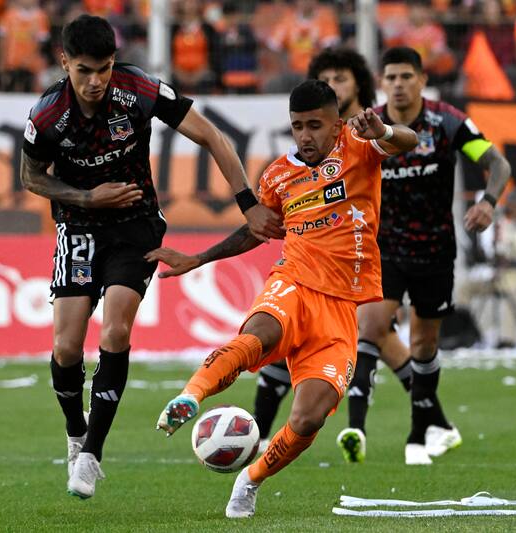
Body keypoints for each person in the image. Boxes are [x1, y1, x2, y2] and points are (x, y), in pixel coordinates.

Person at [19, 14, 283, 500]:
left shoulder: (138, 90)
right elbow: (32, 178)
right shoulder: (47, 115)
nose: (95, 81)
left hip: (137, 226)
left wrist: (247, 204)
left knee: (117, 329)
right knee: (66, 349)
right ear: (64, 64)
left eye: (102, 68)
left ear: (114, 62)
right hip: (78, 225)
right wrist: (87, 198)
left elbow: (211, 135)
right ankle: (76, 433)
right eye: (83, 71)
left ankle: (93, 454)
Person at [150, 79, 417, 518]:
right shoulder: (277, 175)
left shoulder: (359, 145)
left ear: (337, 124)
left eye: (315, 125)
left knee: (309, 417)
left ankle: (249, 479)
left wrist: (383, 132)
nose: (306, 136)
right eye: (297, 126)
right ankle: (191, 396)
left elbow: (409, 141)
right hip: (293, 281)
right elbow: (258, 230)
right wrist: (200, 258)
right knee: (260, 333)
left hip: (340, 309)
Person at [351, 47, 511, 466]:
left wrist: (489, 201)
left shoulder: (449, 123)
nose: (399, 84)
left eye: (407, 76)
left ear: (423, 79)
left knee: (424, 341)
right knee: (370, 325)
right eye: (391, 77)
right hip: (384, 247)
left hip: (436, 248)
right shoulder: (370, 125)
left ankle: (421, 430)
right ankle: (356, 428)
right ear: (381, 82)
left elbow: (497, 164)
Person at [249, 47, 385, 456]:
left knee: (376, 330)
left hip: (371, 245)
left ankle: (361, 426)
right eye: (329, 78)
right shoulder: (307, 145)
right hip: (317, 262)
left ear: (358, 84)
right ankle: (258, 431)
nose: (337, 84)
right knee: (284, 339)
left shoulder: (368, 131)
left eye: (343, 77)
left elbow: (400, 147)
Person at [456, 188, 516, 348]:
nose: (510, 209)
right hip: (504, 277)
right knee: (466, 289)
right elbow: (500, 253)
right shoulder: (509, 227)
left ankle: (507, 341)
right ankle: (464, 332)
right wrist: (490, 252)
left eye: (513, 205)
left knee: (509, 299)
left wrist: (512, 263)